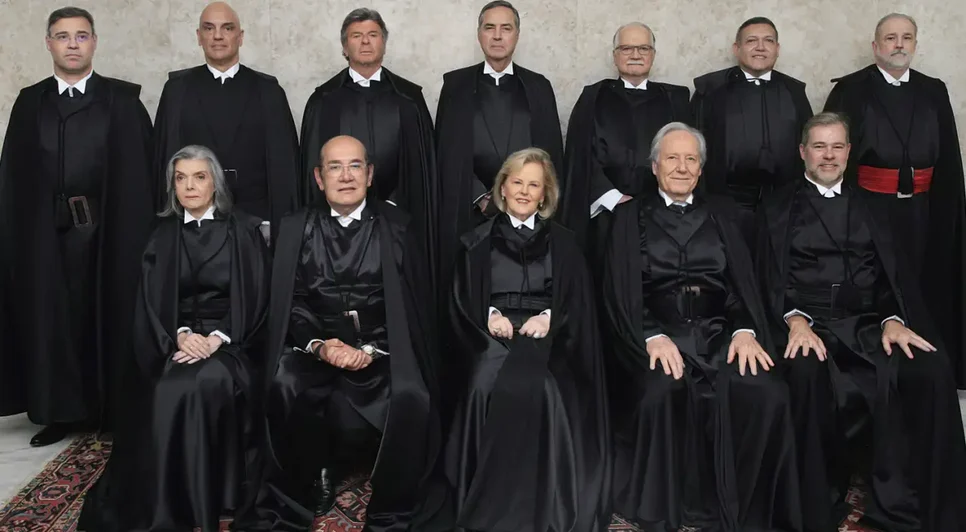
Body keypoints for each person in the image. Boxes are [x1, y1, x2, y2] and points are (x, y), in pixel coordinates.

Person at [757, 112, 966, 532]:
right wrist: (794, 320)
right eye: (819, 146)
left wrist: (892, 319)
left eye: (837, 146)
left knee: (930, 368)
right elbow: (767, 281)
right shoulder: (775, 208)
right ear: (802, 152)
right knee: (804, 372)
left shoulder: (872, 206)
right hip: (809, 327)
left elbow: (892, 277)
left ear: (849, 152)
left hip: (868, 326)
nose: (829, 155)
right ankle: (816, 505)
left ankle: (927, 504)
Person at [601, 122, 802, 531]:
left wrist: (744, 330)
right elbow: (619, 293)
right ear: (654, 166)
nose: (681, 167)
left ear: (701, 168)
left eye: (691, 159)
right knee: (661, 391)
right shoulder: (627, 218)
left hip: (718, 334)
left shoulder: (725, 216)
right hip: (656, 335)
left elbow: (741, 287)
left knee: (768, 392)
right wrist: (651, 336)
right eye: (672, 158)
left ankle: (747, 504)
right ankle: (667, 505)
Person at [239, 135, 438, 531]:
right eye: (335, 167)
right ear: (319, 177)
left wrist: (371, 349)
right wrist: (321, 345)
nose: (345, 176)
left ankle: (392, 493)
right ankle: (311, 477)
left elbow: (410, 310)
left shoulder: (399, 228)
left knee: (411, 394)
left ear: (370, 174)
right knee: (283, 383)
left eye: (354, 166)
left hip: (381, 349)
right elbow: (292, 302)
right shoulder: (295, 228)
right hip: (318, 350)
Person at [78, 145, 270, 532]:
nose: (189, 186)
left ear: (215, 183)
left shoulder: (245, 230)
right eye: (180, 178)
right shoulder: (162, 236)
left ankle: (213, 495)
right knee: (167, 386)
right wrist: (180, 336)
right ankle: (172, 499)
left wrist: (216, 338)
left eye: (199, 177)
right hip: (174, 340)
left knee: (202, 383)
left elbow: (257, 297)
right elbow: (151, 301)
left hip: (232, 342)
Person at [420, 148, 610, 532]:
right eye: (517, 182)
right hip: (489, 335)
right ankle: (481, 494)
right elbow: (461, 302)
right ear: (502, 189)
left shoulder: (565, 243)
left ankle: (543, 500)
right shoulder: (475, 242)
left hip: (550, 337)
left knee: (545, 388)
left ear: (545, 194)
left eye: (533, 185)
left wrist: (549, 317)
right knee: (483, 382)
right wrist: (489, 315)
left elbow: (577, 302)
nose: (524, 191)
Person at [0, 6, 154, 446]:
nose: (72, 44)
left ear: (94, 43)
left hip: (108, 235)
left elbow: (140, 175)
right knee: (56, 323)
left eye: (81, 36)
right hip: (48, 238)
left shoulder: (121, 101)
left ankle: (111, 410)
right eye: (63, 36)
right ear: (48, 43)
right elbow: (14, 175)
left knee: (107, 317)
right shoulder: (31, 102)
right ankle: (61, 413)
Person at [824, 12, 966, 388]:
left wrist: (950, 211)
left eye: (906, 38)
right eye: (890, 38)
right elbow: (833, 157)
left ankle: (928, 374)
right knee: (878, 286)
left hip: (924, 210)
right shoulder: (850, 90)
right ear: (875, 46)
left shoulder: (934, 90)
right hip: (869, 208)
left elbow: (948, 159)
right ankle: (881, 373)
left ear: (915, 44)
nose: (898, 44)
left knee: (924, 288)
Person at [436, 0, 563, 302]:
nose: (497, 35)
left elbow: (550, 153)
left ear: (517, 35)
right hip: (473, 211)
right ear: (479, 34)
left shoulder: (539, 86)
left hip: (527, 211)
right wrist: (482, 197)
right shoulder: (455, 85)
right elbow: (446, 152)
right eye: (489, 27)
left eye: (506, 28)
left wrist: (523, 195)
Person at [299, 8, 436, 280]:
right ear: (344, 46)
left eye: (373, 34)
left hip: (399, 218)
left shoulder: (409, 99)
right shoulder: (323, 100)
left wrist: (394, 205)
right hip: (338, 222)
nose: (365, 41)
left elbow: (421, 171)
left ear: (383, 42)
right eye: (356, 36)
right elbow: (313, 169)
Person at [153, 1, 300, 242]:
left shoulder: (269, 91)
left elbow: (285, 171)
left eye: (227, 28)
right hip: (192, 221)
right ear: (199, 37)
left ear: (240, 37)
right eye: (209, 28)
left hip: (256, 222)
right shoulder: (176, 91)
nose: (218, 36)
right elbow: (163, 162)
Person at [561, 22, 691, 252]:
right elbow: (580, 155)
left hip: (663, 214)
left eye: (643, 49)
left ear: (653, 55)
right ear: (615, 56)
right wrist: (612, 198)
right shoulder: (593, 98)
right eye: (626, 49)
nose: (635, 55)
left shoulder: (674, 100)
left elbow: (688, 156)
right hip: (606, 213)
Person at [691, 17, 812, 240]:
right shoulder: (710, 91)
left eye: (768, 41)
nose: (760, 47)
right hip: (724, 205)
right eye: (751, 41)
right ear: (736, 49)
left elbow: (810, 147)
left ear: (777, 49)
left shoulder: (794, 91)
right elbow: (692, 148)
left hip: (785, 207)